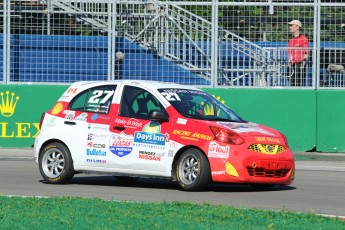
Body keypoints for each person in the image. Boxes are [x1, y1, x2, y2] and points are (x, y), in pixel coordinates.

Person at [287, 20, 309, 87]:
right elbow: (289, 53)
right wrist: (289, 63)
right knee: (292, 83)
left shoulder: (303, 38)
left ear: (297, 27)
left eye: (291, 25)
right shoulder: (291, 40)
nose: (289, 27)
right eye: (290, 25)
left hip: (299, 64)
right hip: (292, 64)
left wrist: (303, 64)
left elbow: (306, 52)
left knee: (299, 84)